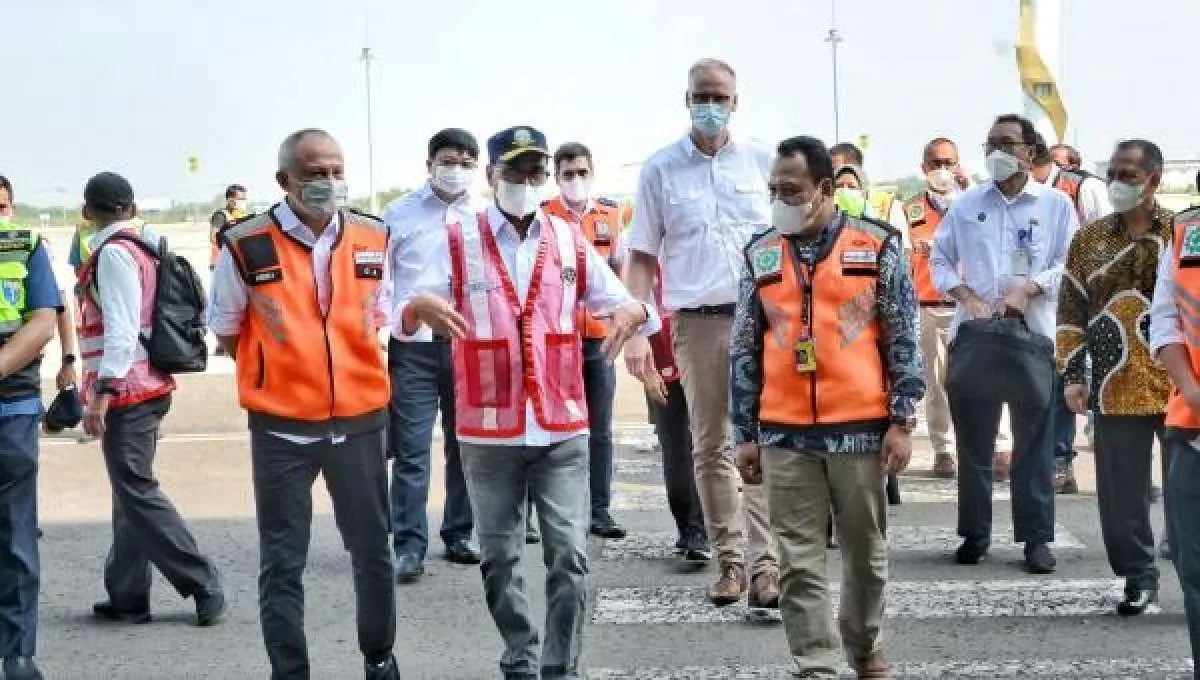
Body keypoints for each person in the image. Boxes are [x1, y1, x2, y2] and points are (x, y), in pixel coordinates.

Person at [399, 125, 657, 680]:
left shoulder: (566, 238)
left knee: (570, 556)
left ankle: (559, 666)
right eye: (514, 172)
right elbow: (405, 309)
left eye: (535, 173)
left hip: (561, 424)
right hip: (487, 428)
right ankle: (520, 650)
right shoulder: (457, 239)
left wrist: (635, 314)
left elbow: (621, 299)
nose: (526, 181)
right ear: (491, 177)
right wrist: (417, 306)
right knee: (498, 558)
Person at [209, 130, 400, 679]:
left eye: (336, 171)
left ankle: (380, 659)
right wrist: (279, 374)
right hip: (281, 431)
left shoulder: (373, 235)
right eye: (315, 173)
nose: (329, 183)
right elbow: (225, 329)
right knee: (283, 564)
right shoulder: (246, 243)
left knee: (372, 554)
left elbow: (379, 315)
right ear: (284, 181)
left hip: (361, 421)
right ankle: (289, 672)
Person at [732, 136, 922, 679]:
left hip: (860, 431)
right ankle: (816, 665)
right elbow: (745, 344)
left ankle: (864, 647)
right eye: (773, 189)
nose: (779, 199)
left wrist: (902, 420)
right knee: (797, 560)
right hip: (785, 432)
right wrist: (744, 431)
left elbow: (901, 335)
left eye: (790, 189)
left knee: (865, 556)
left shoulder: (877, 244)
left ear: (823, 188)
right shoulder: (761, 251)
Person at [624, 58, 780, 608]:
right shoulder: (661, 169)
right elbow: (641, 256)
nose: (709, 106)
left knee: (761, 442)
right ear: (686, 99)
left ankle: (767, 567)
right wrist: (638, 326)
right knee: (711, 445)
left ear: (736, 102)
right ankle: (730, 563)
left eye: (719, 96)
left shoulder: (764, 160)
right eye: (700, 96)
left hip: (762, 320)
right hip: (697, 323)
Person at [76, 172, 227, 627]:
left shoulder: (114, 254)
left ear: (87, 213)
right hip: (149, 383)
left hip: (129, 391)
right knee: (129, 492)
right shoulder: (147, 247)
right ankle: (127, 594)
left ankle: (202, 580)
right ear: (132, 207)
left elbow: (121, 333)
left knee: (136, 488)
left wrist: (102, 396)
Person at [930, 113, 1079, 574]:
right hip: (975, 338)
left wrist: (1029, 288)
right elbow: (939, 259)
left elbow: (1066, 264)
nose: (996, 150)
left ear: (1029, 152)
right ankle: (974, 535)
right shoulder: (967, 204)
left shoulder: (1054, 205)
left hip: (1032, 339)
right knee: (974, 445)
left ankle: (1036, 539)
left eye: (1007, 143)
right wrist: (967, 297)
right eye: (990, 142)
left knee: (1033, 446)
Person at [1057, 139, 1172, 616]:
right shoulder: (1090, 239)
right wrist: (1072, 373)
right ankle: (1138, 576)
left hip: (1180, 381)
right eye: (1114, 172)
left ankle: (1193, 572)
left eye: (1129, 173)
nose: (1118, 182)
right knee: (1121, 495)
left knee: (1191, 492)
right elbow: (1071, 308)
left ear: (1154, 180)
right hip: (1113, 383)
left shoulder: (1183, 233)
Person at [382, 128, 481, 583]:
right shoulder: (397, 215)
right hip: (414, 351)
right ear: (428, 164)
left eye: (464, 162)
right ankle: (408, 545)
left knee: (466, 448)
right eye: (447, 161)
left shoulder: (485, 215)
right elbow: (381, 291)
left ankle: (459, 533)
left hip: (469, 349)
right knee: (412, 452)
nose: (455, 170)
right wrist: (405, 320)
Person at [542, 141, 627, 539]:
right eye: (568, 174)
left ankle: (599, 510)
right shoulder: (543, 216)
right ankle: (537, 513)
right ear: (556, 177)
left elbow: (620, 273)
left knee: (600, 429)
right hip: (555, 340)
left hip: (597, 340)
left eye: (582, 172)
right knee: (549, 426)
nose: (576, 180)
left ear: (592, 172)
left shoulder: (610, 214)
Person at [0, 175, 62, 680]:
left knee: (16, 534)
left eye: (2, 206)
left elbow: (42, 320)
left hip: (10, 412)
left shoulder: (26, 245)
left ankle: (18, 653)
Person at [618, 225, 709, 563]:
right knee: (677, 447)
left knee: (710, 444)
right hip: (662, 354)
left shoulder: (703, 238)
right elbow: (629, 302)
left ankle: (712, 526)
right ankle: (691, 530)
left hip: (704, 351)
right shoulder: (638, 246)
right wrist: (644, 359)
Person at [1031, 138, 1112, 494]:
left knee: (1105, 377)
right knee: (1062, 378)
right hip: (1055, 305)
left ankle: (1117, 458)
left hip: (1098, 302)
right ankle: (1060, 462)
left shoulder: (1084, 188)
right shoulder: (1021, 196)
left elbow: (1109, 238)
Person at [1149, 192, 1200, 666]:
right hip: (1193, 426)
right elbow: (1164, 321)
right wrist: (1190, 388)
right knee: (1193, 568)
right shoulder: (1185, 232)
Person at [906, 137, 970, 479]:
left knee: (979, 380)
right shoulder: (910, 209)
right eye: (936, 164)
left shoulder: (972, 204)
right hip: (929, 306)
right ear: (924, 168)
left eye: (949, 163)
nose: (943, 171)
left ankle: (996, 445)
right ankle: (943, 449)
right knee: (936, 382)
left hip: (969, 304)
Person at [830, 142, 907, 232]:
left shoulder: (888, 205)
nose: (828, 175)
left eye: (833, 169)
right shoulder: (826, 207)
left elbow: (900, 243)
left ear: (855, 169)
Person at [209, 184, 248, 271]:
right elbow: (213, 238)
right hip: (220, 264)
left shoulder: (240, 215)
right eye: (240, 199)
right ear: (229, 199)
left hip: (234, 263)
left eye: (244, 199)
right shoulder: (221, 215)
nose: (243, 201)